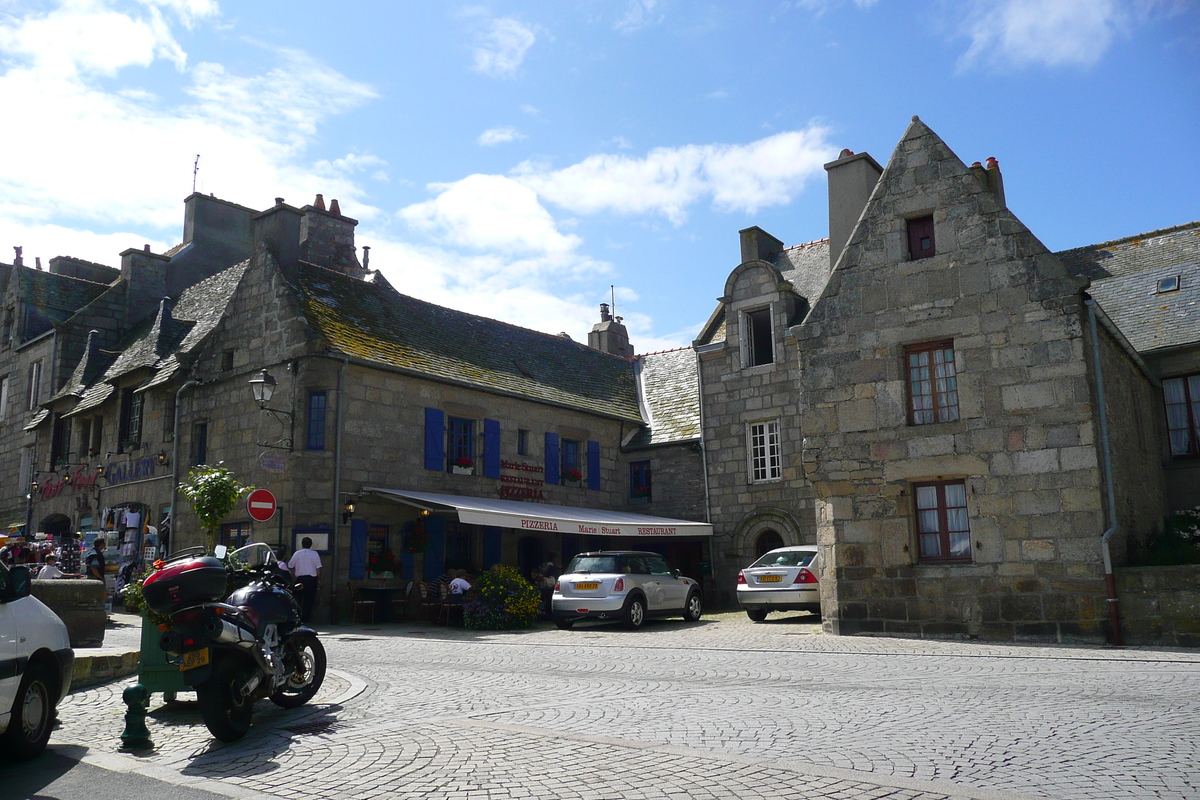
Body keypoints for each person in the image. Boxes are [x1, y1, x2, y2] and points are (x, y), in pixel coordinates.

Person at [288, 537, 322, 624]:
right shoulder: (315, 554)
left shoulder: (297, 553)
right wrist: (319, 579)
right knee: (309, 600)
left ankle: (298, 618)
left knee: (297, 599)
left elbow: (290, 565)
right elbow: (318, 568)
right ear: (311, 545)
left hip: (300, 579)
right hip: (311, 579)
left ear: (302, 544)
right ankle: (306, 619)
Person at [538, 552, 559, 618]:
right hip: (550, 584)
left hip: (545, 584)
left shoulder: (544, 566)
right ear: (554, 558)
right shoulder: (551, 567)